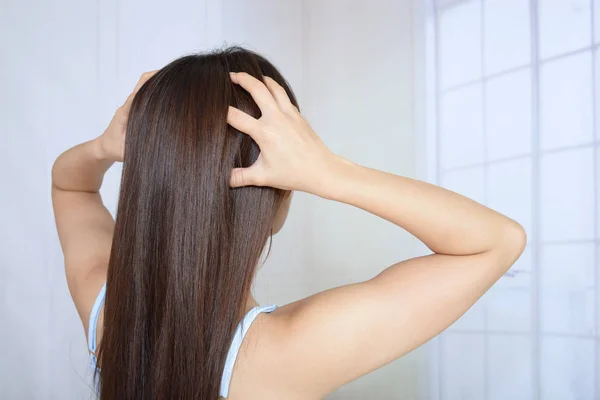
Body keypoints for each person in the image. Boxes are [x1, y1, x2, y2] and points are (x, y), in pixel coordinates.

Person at [51, 46, 526, 400]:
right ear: (277, 202)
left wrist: (104, 146)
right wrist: (330, 171)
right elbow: (496, 242)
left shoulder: (105, 315)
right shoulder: (288, 354)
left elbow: (71, 186)